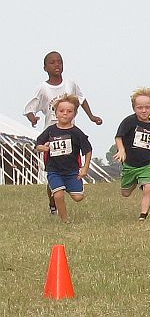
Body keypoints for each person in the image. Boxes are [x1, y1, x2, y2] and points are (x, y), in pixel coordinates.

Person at [23, 51, 104, 215]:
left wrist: (91, 116)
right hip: (51, 136)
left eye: (59, 61)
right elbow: (30, 108)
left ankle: (69, 187)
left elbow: (81, 99)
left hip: (69, 135)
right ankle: (53, 202)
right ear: (45, 67)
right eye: (52, 62)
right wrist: (33, 119)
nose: (57, 65)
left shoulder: (70, 84)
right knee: (53, 171)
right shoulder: (43, 88)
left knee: (69, 167)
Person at [36, 95, 92, 222]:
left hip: (72, 171)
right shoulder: (50, 130)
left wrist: (85, 168)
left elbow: (88, 150)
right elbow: (38, 143)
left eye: (69, 111)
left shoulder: (77, 133)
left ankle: (61, 186)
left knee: (78, 197)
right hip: (54, 169)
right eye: (61, 111)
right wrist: (42, 147)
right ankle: (65, 220)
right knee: (59, 195)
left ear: (75, 114)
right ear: (55, 113)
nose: (65, 114)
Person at [115, 88, 150, 220]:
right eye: (140, 107)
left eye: (147, 107)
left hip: (146, 164)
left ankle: (143, 215)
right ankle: (133, 183)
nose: (143, 110)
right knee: (125, 193)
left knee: (149, 188)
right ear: (134, 108)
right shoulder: (129, 122)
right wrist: (121, 150)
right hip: (130, 164)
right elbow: (119, 137)